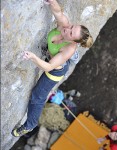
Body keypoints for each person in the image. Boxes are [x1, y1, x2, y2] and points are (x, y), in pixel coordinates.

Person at [12, 0, 93, 137]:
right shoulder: (64, 25)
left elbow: (49, 67)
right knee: (56, 53)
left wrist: (33, 57)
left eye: (71, 33)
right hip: (54, 57)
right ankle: (56, 54)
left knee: (37, 96)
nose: (67, 29)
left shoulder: (68, 48)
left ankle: (30, 125)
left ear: (73, 41)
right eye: (72, 27)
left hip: (55, 70)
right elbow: (57, 11)